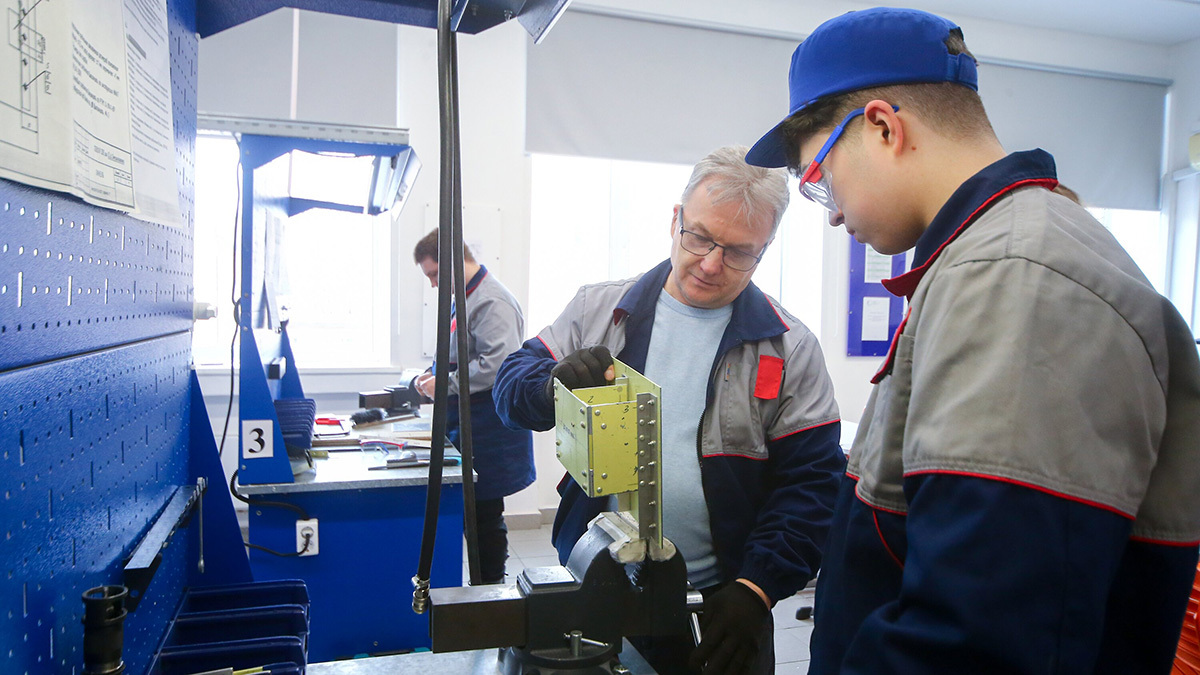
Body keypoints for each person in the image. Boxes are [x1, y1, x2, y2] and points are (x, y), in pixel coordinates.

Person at [744, 8, 1200, 674]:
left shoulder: (1019, 280)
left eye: (820, 178)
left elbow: (976, 640)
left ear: (883, 127)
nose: (834, 209)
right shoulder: (987, 261)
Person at [493, 145, 846, 674]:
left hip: (724, 608)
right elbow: (509, 389)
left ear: (765, 249)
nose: (710, 264)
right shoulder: (599, 310)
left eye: (738, 251)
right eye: (700, 237)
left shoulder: (789, 347)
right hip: (597, 583)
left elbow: (814, 484)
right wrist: (550, 387)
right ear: (676, 219)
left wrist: (757, 587)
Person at [412, 229, 535, 585]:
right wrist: (431, 374)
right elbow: (457, 353)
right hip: (467, 423)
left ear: (453, 260)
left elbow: (495, 367)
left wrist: (444, 384)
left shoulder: (491, 301)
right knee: (471, 514)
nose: (434, 285)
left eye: (435, 274)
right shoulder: (463, 296)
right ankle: (481, 587)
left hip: (489, 428)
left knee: (483, 515)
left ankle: (491, 591)